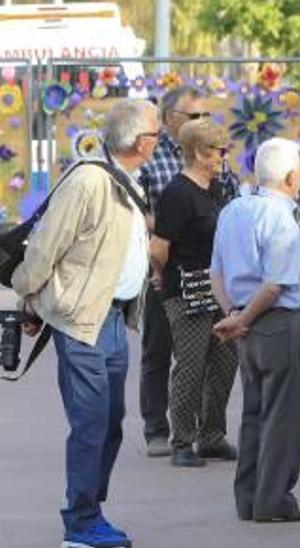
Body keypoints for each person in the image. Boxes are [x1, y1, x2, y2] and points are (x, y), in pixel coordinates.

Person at [13, 99, 154, 548]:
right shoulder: (90, 180)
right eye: (155, 132)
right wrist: (28, 299)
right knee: (93, 421)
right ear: (139, 141)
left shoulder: (130, 180)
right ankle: (81, 522)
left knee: (110, 420)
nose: (158, 140)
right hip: (81, 320)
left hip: (112, 318)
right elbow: (44, 248)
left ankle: (89, 506)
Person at [209, 138, 300, 523]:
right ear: (292, 176)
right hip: (277, 320)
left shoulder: (234, 209)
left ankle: (250, 496)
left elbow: (216, 273)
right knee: (283, 417)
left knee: (254, 414)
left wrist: (234, 314)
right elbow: (276, 284)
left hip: (244, 322)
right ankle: (273, 500)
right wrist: (242, 318)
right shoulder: (280, 216)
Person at [136, 85, 238, 458]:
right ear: (198, 152)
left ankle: (212, 434)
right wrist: (162, 275)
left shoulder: (218, 187)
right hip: (187, 287)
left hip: (218, 287)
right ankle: (182, 439)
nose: (222, 159)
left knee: (225, 363)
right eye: (217, 152)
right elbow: (159, 247)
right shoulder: (178, 193)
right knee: (190, 366)